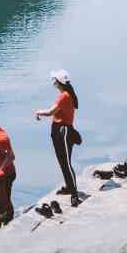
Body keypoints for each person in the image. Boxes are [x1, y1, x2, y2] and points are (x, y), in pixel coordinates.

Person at [35, 68, 81, 207]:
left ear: (58, 82)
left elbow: (50, 112)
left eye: (54, 79)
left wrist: (38, 112)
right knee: (62, 162)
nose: (52, 81)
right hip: (58, 130)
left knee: (66, 163)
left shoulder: (64, 96)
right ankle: (69, 187)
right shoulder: (66, 94)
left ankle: (74, 194)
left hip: (64, 131)